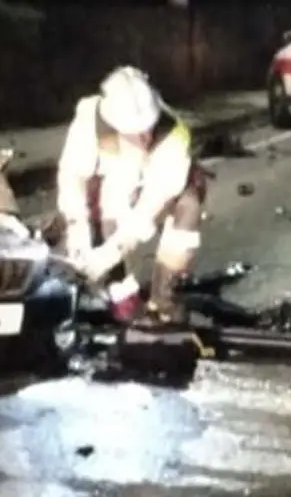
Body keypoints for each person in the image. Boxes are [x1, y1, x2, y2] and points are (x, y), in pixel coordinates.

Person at [55, 66, 207, 329]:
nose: (146, 137)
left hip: (155, 189)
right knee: (103, 213)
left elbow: (149, 209)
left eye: (149, 129)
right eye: (136, 133)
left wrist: (112, 252)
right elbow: (72, 177)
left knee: (189, 207)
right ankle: (121, 297)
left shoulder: (174, 135)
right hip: (114, 184)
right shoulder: (90, 121)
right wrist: (76, 228)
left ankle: (164, 299)